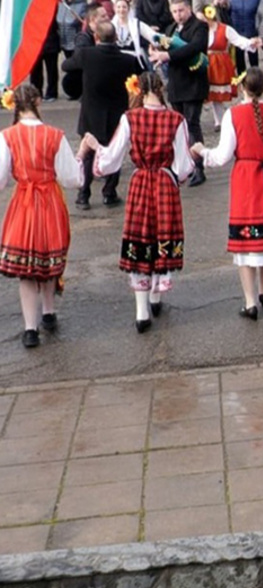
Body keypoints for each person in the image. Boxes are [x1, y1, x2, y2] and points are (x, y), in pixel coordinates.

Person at [85, 72, 194, 333]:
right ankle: (155, 297)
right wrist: (172, 176)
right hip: (165, 185)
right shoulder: (176, 120)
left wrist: (95, 146)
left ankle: (142, 311)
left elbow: (111, 159)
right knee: (161, 238)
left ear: (139, 91)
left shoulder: (130, 118)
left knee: (141, 238)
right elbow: (184, 166)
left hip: (141, 183)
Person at [191, 68, 263, 320]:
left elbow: (223, 156)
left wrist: (203, 151)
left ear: (241, 89)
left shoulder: (233, 115)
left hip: (247, 181)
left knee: (246, 243)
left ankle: (250, 302)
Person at [0, 85, 84, 348]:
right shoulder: (54, 135)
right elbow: (72, 178)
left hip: (23, 203)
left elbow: (0, 178)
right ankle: (48, 312)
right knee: (48, 261)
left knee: (27, 269)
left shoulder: (7, 136)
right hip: (49, 201)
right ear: (37, 101)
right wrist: (82, 156)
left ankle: (30, 328)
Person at [62, 21, 140, 212]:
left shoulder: (87, 55)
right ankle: (109, 193)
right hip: (116, 113)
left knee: (87, 154)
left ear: (96, 38)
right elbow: (140, 74)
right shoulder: (128, 60)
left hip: (91, 113)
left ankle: (83, 194)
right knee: (114, 153)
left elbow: (65, 65)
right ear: (116, 38)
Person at [151, 0, 209, 187]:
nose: (178, 14)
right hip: (176, 84)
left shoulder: (199, 27)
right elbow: (165, 47)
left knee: (192, 125)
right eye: (174, 11)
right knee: (179, 128)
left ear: (189, 8)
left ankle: (199, 167)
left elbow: (195, 47)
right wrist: (157, 51)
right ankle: (183, 165)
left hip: (193, 84)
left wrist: (168, 56)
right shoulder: (170, 28)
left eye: (181, 10)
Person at [204, 3, 261, 131]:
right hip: (207, 64)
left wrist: (250, 42)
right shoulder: (201, 30)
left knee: (220, 93)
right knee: (211, 94)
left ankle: (234, 116)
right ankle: (218, 120)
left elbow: (238, 40)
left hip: (220, 64)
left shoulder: (225, 29)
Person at [30, 20, 62, 103]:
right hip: (35, 42)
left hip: (49, 40)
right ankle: (36, 92)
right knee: (35, 72)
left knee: (51, 70)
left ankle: (51, 92)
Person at [230, 0, 262, 74]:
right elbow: (227, 12)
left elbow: (260, 12)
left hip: (251, 30)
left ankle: (256, 77)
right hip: (237, 32)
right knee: (239, 58)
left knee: (253, 57)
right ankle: (242, 78)